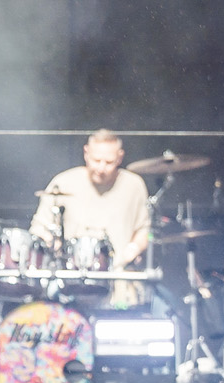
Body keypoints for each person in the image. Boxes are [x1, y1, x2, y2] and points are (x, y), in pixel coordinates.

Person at [25, 130, 153, 309]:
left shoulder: (134, 185)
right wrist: (51, 243)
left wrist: (134, 249)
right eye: (96, 160)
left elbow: (145, 231)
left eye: (108, 162)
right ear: (86, 153)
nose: (101, 168)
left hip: (118, 282)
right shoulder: (63, 182)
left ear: (120, 157)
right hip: (69, 282)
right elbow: (38, 229)